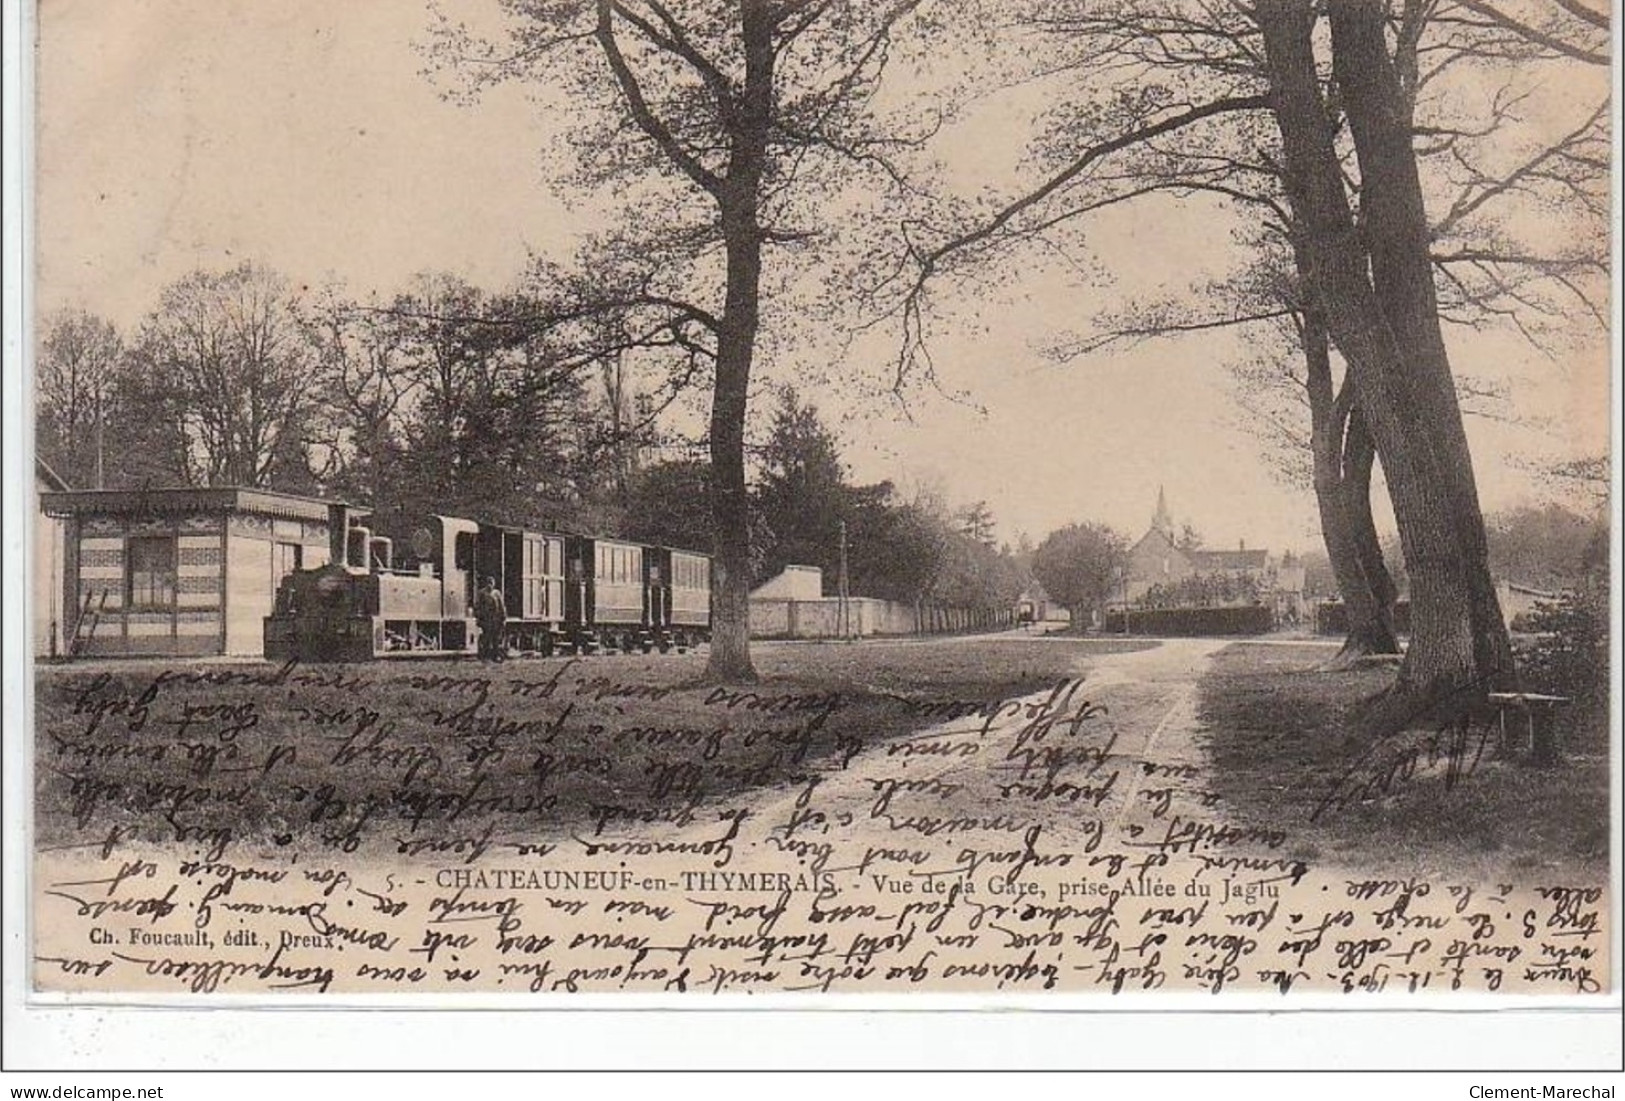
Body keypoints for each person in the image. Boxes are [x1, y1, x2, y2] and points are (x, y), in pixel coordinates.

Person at [475, 575, 507, 662]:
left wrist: (503, 617)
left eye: (491, 583)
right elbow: (478, 605)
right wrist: (478, 617)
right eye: (488, 583)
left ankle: (495, 655)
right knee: (486, 637)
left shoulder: (497, 593)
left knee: (496, 638)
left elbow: (501, 606)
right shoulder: (482, 593)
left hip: (496, 619)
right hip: (486, 619)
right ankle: (485, 656)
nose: (490, 585)